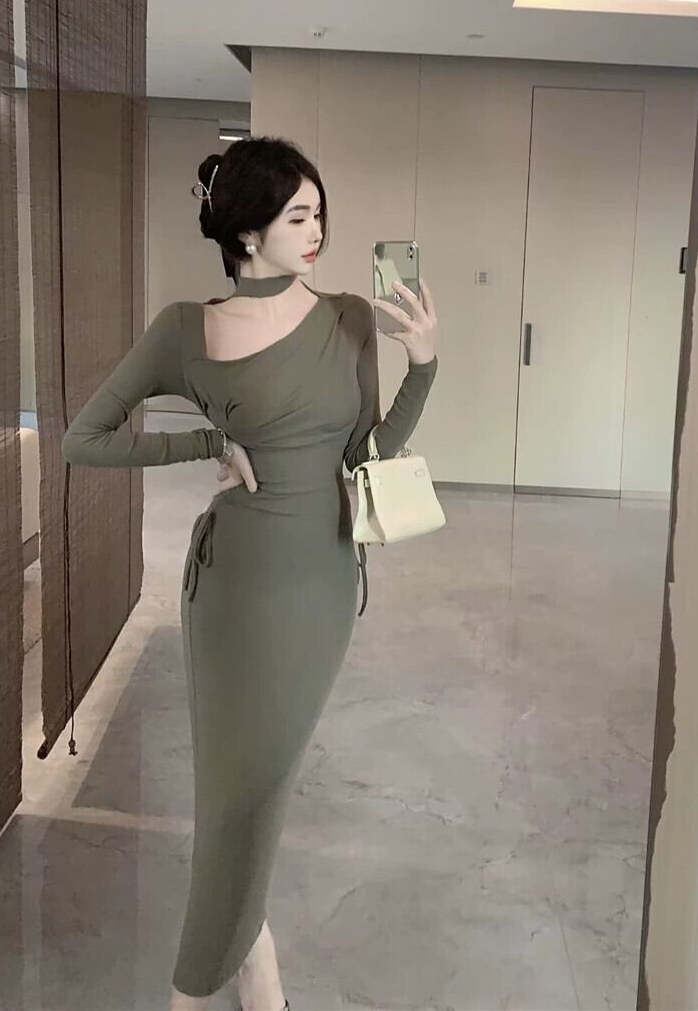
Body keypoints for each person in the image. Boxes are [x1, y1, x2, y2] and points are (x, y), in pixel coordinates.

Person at [61, 136, 439, 1011]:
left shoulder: (349, 318)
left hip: (323, 585)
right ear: (246, 231)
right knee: (236, 801)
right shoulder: (184, 329)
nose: (317, 231)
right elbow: (86, 438)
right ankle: (204, 989)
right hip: (232, 592)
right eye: (298, 216)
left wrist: (424, 365)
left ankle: (247, 968)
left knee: (258, 792)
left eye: (319, 213)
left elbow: (368, 452)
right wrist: (206, 443)